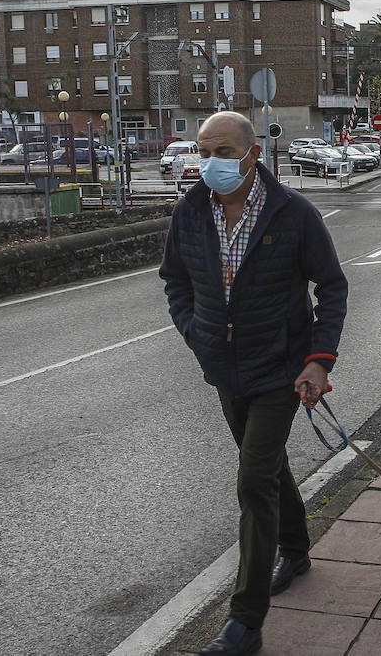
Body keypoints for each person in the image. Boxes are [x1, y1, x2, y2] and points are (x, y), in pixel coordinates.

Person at [160, 111, 348, 656]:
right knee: (264, 463)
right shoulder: (191, 211)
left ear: (252, 156)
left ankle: (246, 622)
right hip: (223, 368)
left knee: (252, 480)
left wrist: (318, 361)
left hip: (279, 368)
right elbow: (175, 280)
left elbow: (331, 288)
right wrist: (197, 334)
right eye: (203, 151)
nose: (210, 163)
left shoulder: (294, 215)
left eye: (222, 152)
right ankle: (295, 547)